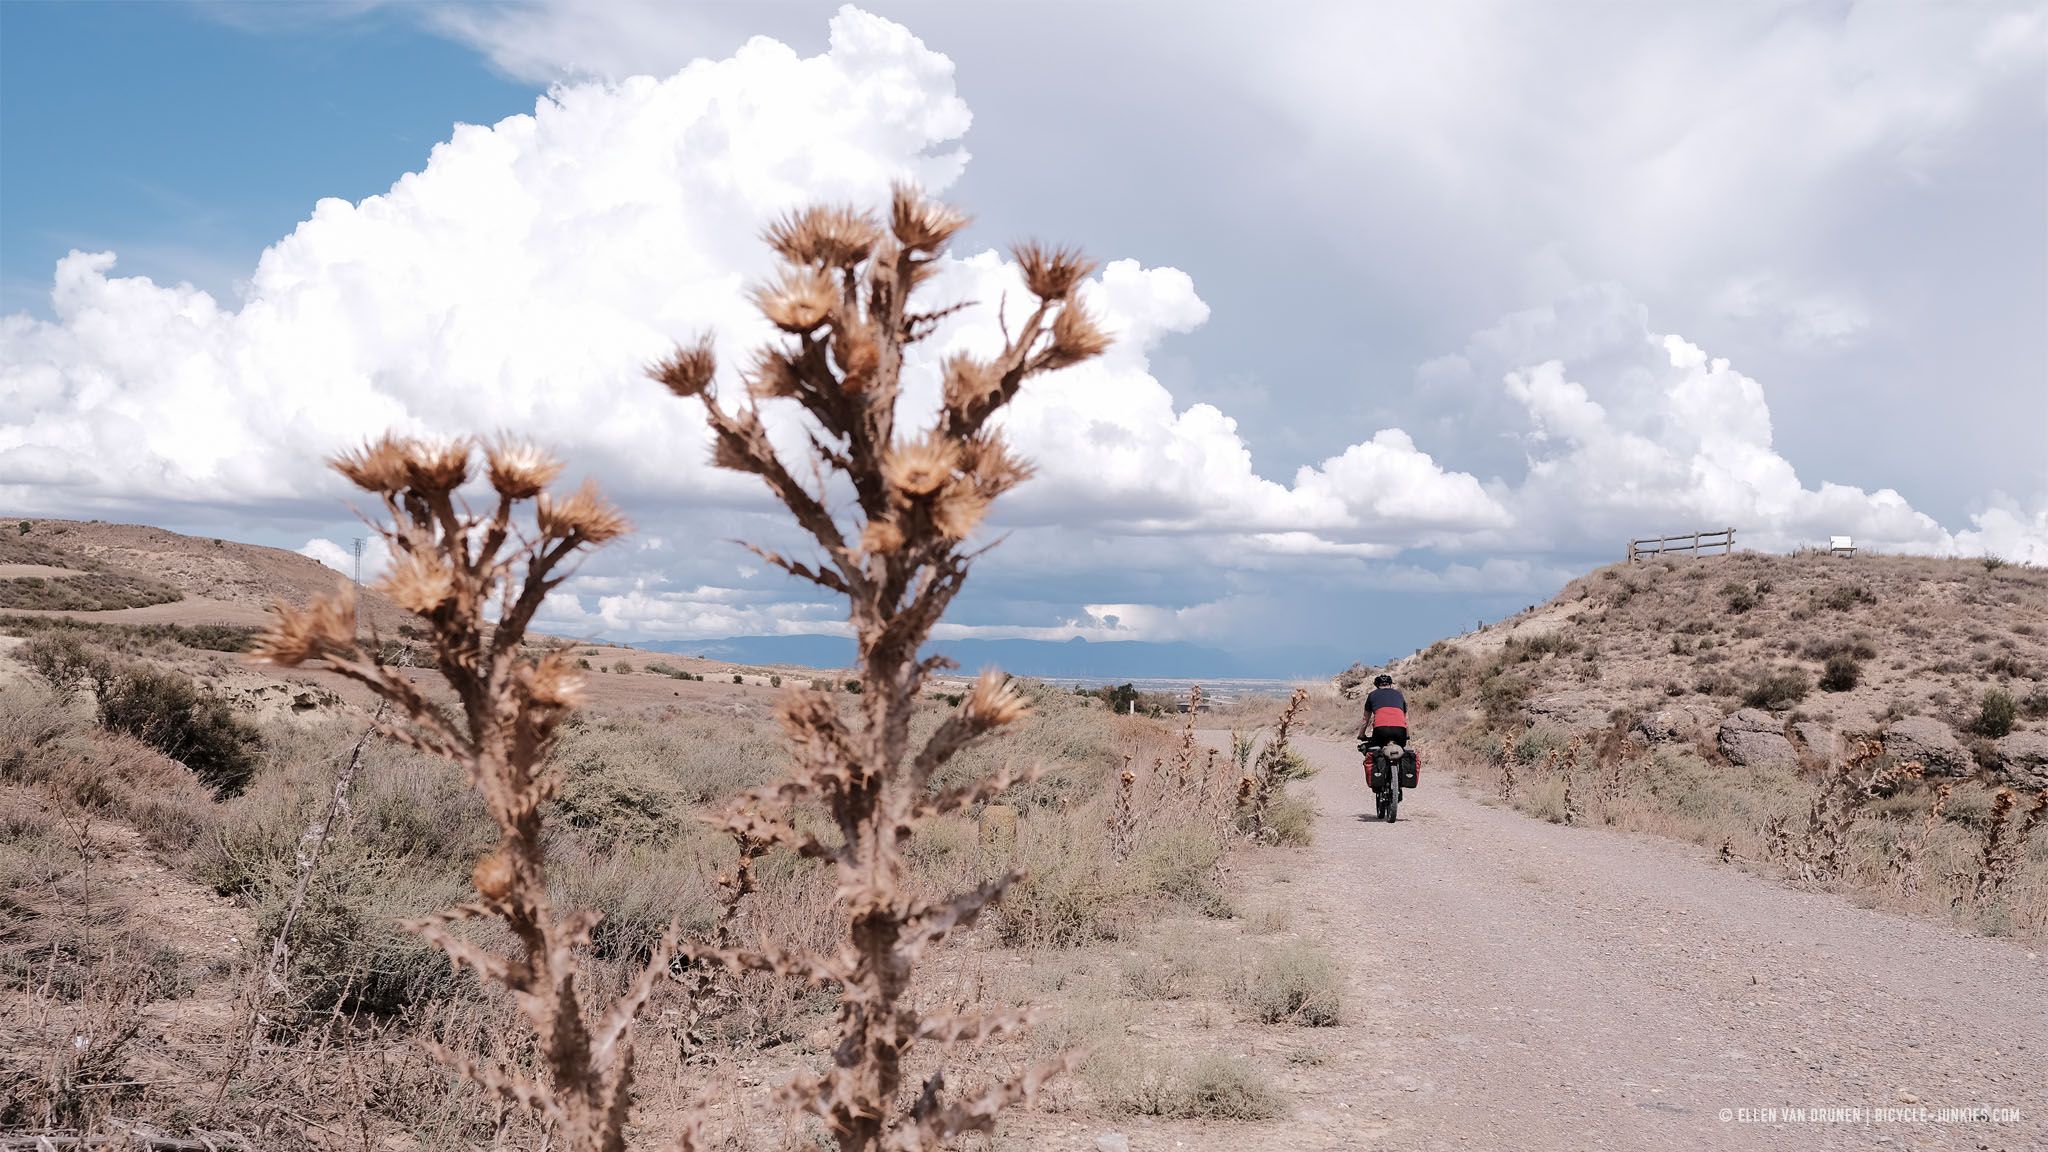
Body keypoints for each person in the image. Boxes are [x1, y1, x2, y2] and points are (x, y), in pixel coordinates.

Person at [1359, 673, 1408, 749]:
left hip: (1381, 730)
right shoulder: (1399, 695)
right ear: (1390, 684)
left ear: (1377, 685)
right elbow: (1406, 719)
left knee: (1374, 750)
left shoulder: (1372, 695)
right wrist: (1407, 735)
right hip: (1400, 730)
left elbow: (1365, 719)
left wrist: (1361, 735)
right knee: (1402, 750)